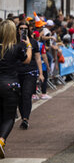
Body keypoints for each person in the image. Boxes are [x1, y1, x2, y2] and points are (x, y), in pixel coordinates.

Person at [0, 20, 32, 158]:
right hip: (10, 85)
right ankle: (1, 141)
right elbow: (27, 60)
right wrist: (29, 45)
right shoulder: (16, 47)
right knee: (9, 117)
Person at [16, 22, 45, 130]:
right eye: (21, 28)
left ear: (29, 30)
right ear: (17, 30)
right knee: (19, 96)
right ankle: (23, 115)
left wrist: (41, 73)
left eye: (25, 28)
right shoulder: (14, 42)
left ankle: (25, 119)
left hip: (30, 72)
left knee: (26, 94)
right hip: (17, 73)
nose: (23, 30)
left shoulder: (33, 42)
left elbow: (38, 58)